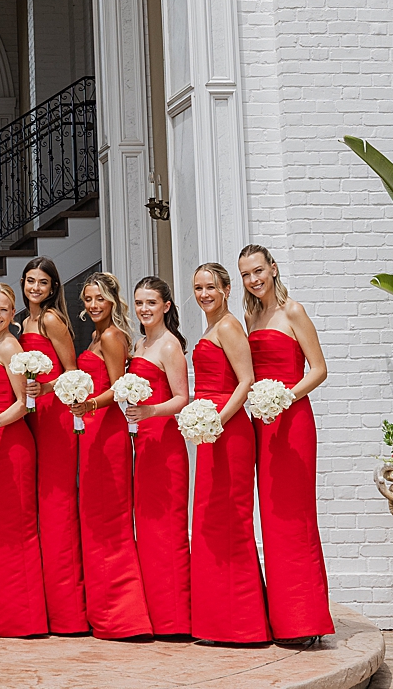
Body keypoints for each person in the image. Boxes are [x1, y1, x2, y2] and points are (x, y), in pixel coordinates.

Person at [239, 245, 333, 643]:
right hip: (263, 423)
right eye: (245, 274)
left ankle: (306, 621)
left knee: (295, 519)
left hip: (292, 422)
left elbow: (320, 369)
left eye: (258, 270)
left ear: (273, 269)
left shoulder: (292, 311)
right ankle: (283, 619)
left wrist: (285, 397)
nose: (253, 279)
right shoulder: (250, 315)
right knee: (271, 518)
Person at [66, 270, 153, 640]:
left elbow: (119, 388)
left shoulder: (114, 336)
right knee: (93, 519)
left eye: (99, 298)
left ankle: (125, 616)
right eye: (88, 299)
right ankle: (102, 611)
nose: (93, 304)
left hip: (108, 431)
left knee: (109, 520)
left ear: (112, 301)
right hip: (91, 432)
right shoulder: (96, 336)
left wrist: (89, 404)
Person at [189, 261, 269, 645]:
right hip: (211, 431)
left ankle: (244, 623)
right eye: (198, 289)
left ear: (225, 291)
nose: (204, 295)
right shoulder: (210, 326)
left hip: (230, 431)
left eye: (210, 288)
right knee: (211, 521)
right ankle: (219, 621)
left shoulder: (229, 326)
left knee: (232, 520)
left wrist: (216, 420)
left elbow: (247, 381)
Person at [0, 283, 50, 638]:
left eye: (4, 310)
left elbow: (24, 403)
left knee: (17, 530)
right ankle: (5, 614)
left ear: (12, 312)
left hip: (12, 444)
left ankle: (24, 618)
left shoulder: (9, 347)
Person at [17, 256, 85, 634]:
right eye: (30, 281)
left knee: (57, 505)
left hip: (55, 414)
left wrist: (45, 388)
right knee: (38, 505)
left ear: (53, 287)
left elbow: (72, 371)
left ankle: (67, 611)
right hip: (31, 415)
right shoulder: (22, 322)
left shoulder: (51, 321)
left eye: (43, 282)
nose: (36, 288)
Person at [127, 275, 192, 638]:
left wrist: (149, 412)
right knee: (148, 530)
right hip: (142, 445)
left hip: (164, 443)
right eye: (139, 302)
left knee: (167, 530)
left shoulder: (169, 345)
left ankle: (176, 620)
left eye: (151, 302)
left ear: (166, 306)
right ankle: (154, 615)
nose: (144, 309)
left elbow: (183, 397)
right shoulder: (138, 344)